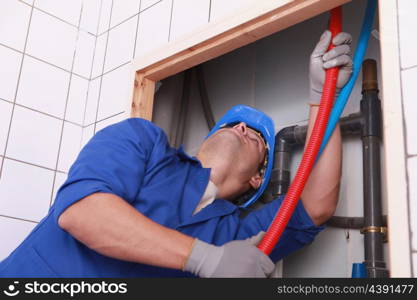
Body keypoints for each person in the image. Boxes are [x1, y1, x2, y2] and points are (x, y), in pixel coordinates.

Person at [0, 30, 351, 278]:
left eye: (257, 137)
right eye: (233, 125)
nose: (242, 128)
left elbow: (316, 205)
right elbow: (83, 213)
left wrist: (325, 99)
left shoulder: (239, 234)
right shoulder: (143, 140)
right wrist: (204, 260)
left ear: (257, 178)